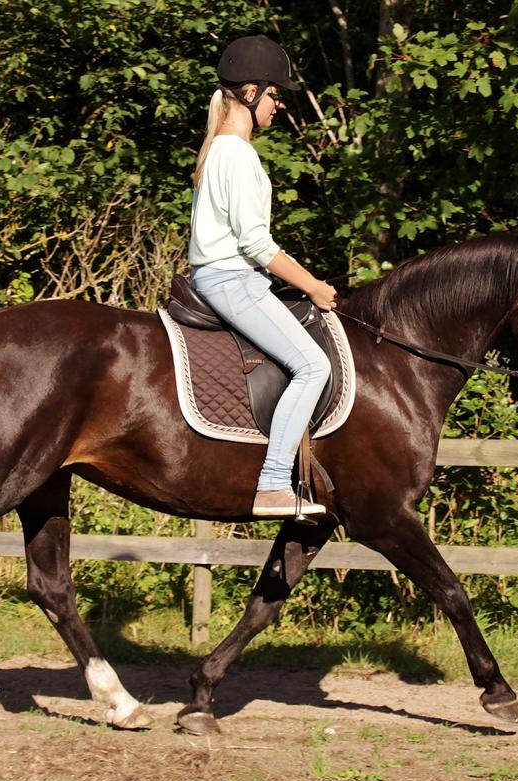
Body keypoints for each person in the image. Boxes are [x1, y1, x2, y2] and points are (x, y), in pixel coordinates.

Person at [188, 34, 337, 518]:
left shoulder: (220, 150)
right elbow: (256, 243)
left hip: (229, 275)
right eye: (275, 95)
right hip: (233, 280)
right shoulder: (238, 154)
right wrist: (311, 284)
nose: (279, 105)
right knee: (314, 367)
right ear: (250, 93)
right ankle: (274, 483)